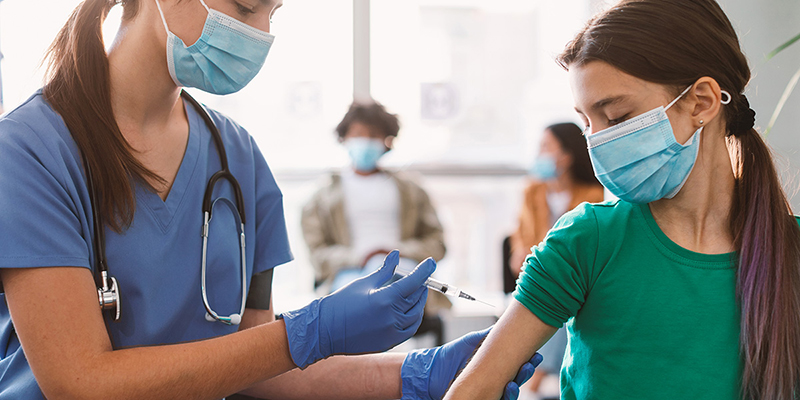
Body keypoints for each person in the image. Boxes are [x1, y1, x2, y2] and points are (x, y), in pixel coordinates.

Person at [0, 0, 540, 399]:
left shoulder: (237, 158)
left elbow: (253, 366)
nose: (257, 33)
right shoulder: (28, 153)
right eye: (245, 7)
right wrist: (310, 331)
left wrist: (415, 373)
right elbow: (79, 383)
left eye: (272, 15)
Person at [445, 0, 800, 399]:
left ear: (701, 102)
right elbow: (472, 391)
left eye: (616, 118)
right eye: (586, 124)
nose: (597, 142)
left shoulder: (790, 249)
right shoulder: (585, 242)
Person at [301, 100, 451, 344]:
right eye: (358, 134)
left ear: (387, 141)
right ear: (344, 138)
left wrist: (393, 253)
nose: (365, 142)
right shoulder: (321, 198)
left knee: (396, 288)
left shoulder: (412, 191)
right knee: (362, 297)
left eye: (373, 135)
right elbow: (318, 255)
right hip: (349, 274)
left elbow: (437, 244)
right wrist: (362, 256)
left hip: (402, 270)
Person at [507, 122, 603, 397]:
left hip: (575, 282)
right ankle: (532, 384)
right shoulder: (532, 192)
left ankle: (531, 384)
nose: (539, 154)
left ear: (566, 155)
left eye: (545, 147)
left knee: (562, 309)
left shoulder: (594, 196)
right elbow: (521, 241)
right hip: (540, 277)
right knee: (554, 304)